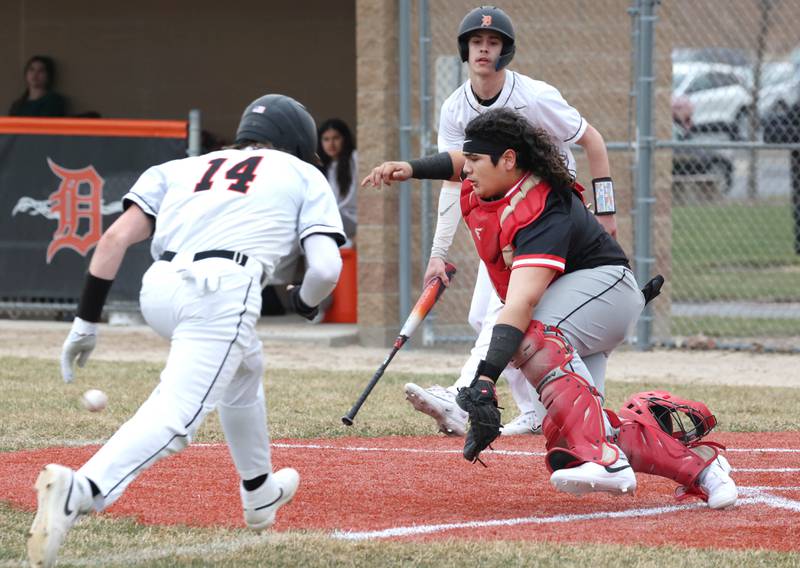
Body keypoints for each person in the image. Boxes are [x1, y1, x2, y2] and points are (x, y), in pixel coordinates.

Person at [27, 94, 345, 567]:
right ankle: (83, 489)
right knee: (178, 416)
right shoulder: (302, 172)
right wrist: (303, 302)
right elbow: (325, 268)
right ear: (296, 143)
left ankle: (259, 490)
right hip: (221, 289)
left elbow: (113, 239)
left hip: (158, 289)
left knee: (244, 366)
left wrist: (84, 322)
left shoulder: (180, 167)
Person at [363, 107, 737, 508]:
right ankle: (701, 468)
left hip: (605, 290)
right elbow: (457, 161)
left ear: (509, 160)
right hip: (573, 307)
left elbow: (522, 302)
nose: (465, 170)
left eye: (474, 160)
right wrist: (410, 167)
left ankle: (606, 462)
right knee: (569, 427)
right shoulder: (488, 180)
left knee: (529, 338)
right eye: (466, 160)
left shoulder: (540, 204)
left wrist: (485, 380)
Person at [363, 6, 617, 438]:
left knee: (508, 310)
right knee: (484, 317)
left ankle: (464, 397)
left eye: (494, 42)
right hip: (501, 215)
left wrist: (606, 212)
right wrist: (438, 254)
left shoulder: (534, 96)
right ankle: (540, 410)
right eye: (477, 42)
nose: (484, 49)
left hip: (548, 214)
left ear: (506, 51)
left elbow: (592, 140)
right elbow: (454, 174)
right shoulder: (454, 107)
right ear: (465, 50)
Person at [318, 118, 358, 241]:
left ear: (344, 139)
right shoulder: (324, 167)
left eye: (336, 138)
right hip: (334, 220)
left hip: (352, 219)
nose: (331, 144)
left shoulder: (355, 158)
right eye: (326, 139)